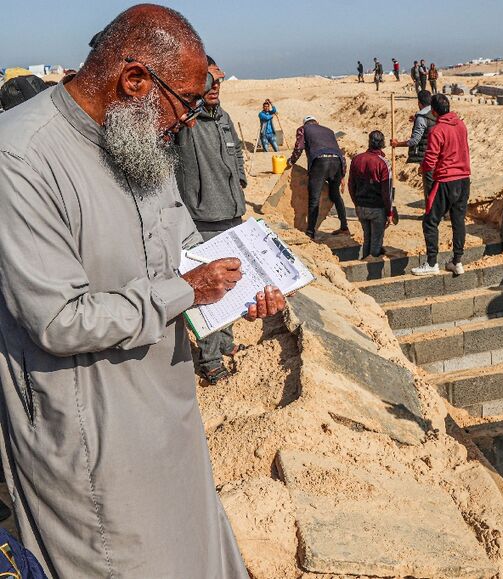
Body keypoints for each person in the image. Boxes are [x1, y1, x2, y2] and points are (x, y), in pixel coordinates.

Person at [0, 5, 287, 575]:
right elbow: (59, 319)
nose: (187, 122)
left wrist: (239, 291)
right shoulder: (20, 158)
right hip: (92, 438)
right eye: (185, 104)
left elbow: (182, 252)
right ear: (135, 81)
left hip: (169, 410)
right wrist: (185, 291)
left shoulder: (138, 141)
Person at [174, 56, 249, 384]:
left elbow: (236, 153)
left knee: (231, 286)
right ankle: (209, 359)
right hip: (203, 219)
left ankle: (226, 343)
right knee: (210, 291)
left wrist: (240, 180)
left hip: (232, 213)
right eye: (207, 81)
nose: (214, 87)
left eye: (218, 81)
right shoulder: (185, 122)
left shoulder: (224, 117)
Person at [411, 94, 470, 276]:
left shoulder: (437, 130)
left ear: (434, 111)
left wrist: (424, 169)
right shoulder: (461, 124)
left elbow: (430, 158)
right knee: (458, 220)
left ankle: (431, 263)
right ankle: (457, 261)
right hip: (464, 178)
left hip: (445, 180)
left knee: (430, 221)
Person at [289, 115, 350, 238]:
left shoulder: (303, 129)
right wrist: (342, 174)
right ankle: (344, 227)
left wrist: (291, 161)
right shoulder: (329, 131)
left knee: (314, 198)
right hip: (337, 162)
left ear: (305, 123)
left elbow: (299, 147)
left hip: (320, 162)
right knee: (336, 195)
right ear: (317, 122)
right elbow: (338, 152)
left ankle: (310, 232)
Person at [349, 131, 393, 258]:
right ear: (383, 143)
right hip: (377, 208)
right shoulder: (383, 163)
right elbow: (387, 191)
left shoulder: (357, 159)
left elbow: (351, 184)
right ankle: (371, 267)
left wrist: (356, 203)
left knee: (367, 238)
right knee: (376, 242)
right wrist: (389, 212)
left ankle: (365, 260)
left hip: (360, 206)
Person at [391, 89, 436, 196]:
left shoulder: (421, 118)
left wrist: (397, 144)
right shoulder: (436, 112)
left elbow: (415, 140)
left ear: (419, 103)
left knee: (429, 187)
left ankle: (431, 212)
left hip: (427, 156)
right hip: (438, 154)